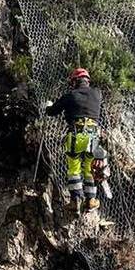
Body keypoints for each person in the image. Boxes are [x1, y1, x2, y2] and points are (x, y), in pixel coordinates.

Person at [45, 68, 104, 212]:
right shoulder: (97, 94)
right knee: (90, 169)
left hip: (76, 136)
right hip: (93, 137)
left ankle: (75, 200)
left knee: (74, 169)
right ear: (87, 81)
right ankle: (91, 200)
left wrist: (47, 106)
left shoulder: (70, 95)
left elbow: (52, 112)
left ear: (74, 82)